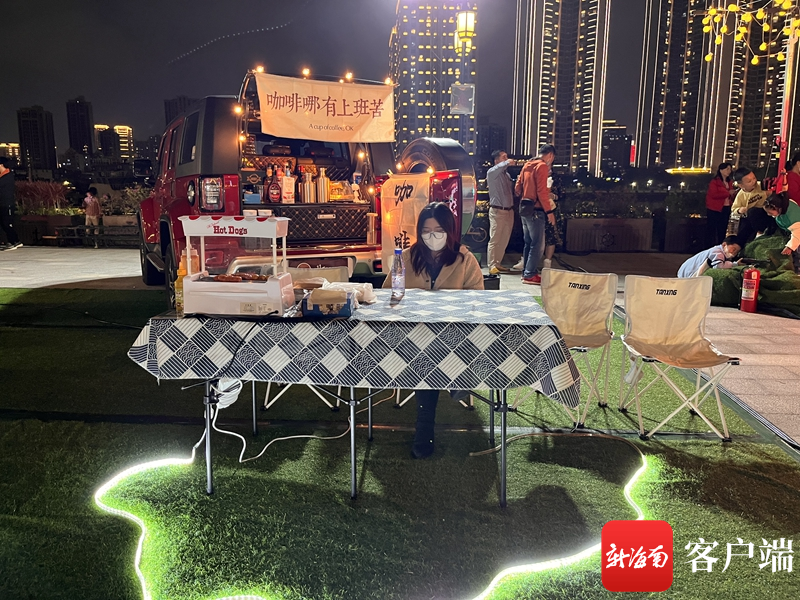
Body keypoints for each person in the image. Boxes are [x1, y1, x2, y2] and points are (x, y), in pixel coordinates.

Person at [382, 202, 484, 459]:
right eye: (426, 231)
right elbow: (388, 296)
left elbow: (478, 300)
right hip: (411, 337)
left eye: (439, 230)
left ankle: (425, 428)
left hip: (453, 335)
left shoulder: (465, 260)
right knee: (425, 353)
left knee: (432, 353)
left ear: (450, 231)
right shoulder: (405, 258)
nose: (432, 236)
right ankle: (452, 385)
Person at [514, 144, 556, 284]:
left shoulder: (527, 165)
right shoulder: (542, 166)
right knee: (538, 244)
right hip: (536, 210)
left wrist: (527, 192)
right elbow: (541, 192)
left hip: (524, 207)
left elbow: (517, 188)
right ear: (550, 155)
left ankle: (526, 272)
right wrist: (549, 211)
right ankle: (530, 274)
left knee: (528, 242)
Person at [486, 150, 516, 275]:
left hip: (509, 210)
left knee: (504, 239)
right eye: (503, 157)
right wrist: (507, 162)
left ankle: (497, 263)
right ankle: (492, 265)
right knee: (495, 239)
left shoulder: (506, 175)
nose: (506, 159)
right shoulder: (492, 172)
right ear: (496, 160)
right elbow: (499, 167)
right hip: (497, 210)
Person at [730, 167, 771, 247]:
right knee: (743, 225)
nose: (753, 182)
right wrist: (740, 210)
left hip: (766, 213)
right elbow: (734, 209)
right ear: (741, 185)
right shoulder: (741, 195)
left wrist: (769, 193)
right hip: (752, 218)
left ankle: (761, 232)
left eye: (754, 178)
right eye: (749, 181)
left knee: (753, 211)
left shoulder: (761, 185)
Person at [763, 192, 800, 267]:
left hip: (797, 231)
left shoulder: (792, 220)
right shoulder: (787, 203)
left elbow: (797, 235)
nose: (768, 214)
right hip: (790, 230)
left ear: (779, 209)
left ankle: (797, 264)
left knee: (797, 250)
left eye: (770, 213)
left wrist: (789, 247)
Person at [677, 235, 741, 278]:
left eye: (736, 252)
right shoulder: (717, 252)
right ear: (724, 245)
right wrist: (735, 264)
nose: (734, 253)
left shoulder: (715, 250)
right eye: (733, 249)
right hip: (688, 274)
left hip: (685, 272)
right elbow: (718, 266)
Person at [706, 162, 736, 245]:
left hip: (726, 207)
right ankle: (709, 246)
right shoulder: (714, 182)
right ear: (721, 170)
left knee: (723, 229)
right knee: (712, 229)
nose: (729, 171)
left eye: (730, 169)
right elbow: (713, 194)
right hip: (714, 208)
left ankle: (721, 245)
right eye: (727, 169)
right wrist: (728, 193)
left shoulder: (730, 182)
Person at [0, 157, 21, 250]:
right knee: (3, 223)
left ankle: (15, 241)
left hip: (7, 203)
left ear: (1, 165)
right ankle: (11, 241)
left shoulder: (8, 176)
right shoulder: (3, 176)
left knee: (7, 223)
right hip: (2, 203)